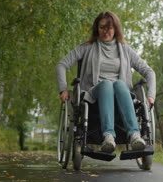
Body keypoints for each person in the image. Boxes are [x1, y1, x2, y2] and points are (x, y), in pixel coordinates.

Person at [55, 11, 156, 153]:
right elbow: (61, 65)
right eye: (102, 27)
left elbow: (149, 72)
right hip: (94, 95)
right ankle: (108, 136)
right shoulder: (87, 47)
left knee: (120, 84)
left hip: (122, 94)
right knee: (107, 84)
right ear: (97, 28)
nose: (105, 31)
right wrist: (63, 88)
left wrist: (151, 95)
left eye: (109, 28)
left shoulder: (126, 50)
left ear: (115, 29)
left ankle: (134, 135)